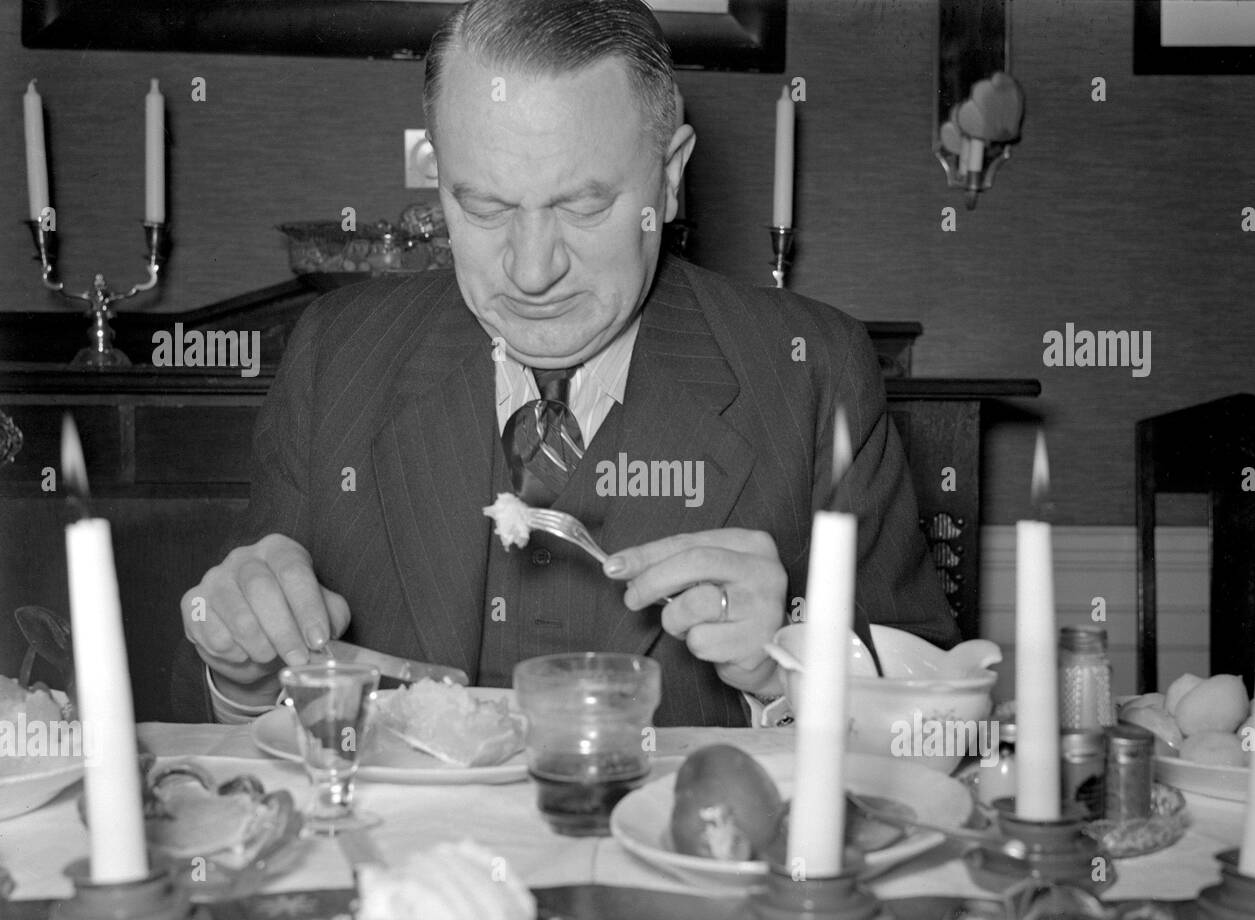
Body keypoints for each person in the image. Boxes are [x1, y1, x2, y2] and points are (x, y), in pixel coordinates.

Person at [180, 0, 956, 727]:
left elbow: (938, 725)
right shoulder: (334, 355)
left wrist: (792, 664)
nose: (530, 270)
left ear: (670, 176)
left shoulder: (812, 371)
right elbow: (248, 705)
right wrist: (243, 670)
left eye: (583, 207)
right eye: (482, 207)